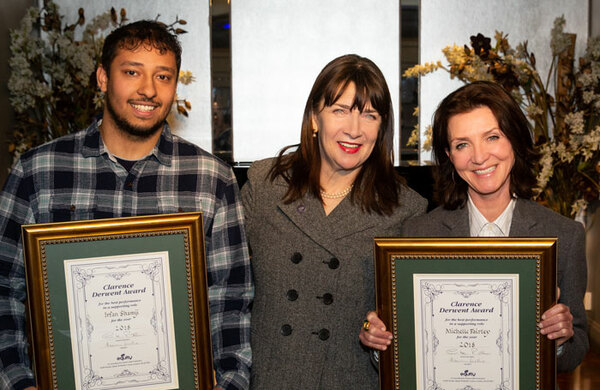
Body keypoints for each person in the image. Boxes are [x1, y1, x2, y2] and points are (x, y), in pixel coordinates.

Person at [0, 21, 252, 389]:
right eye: (132, 72)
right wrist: (19, 382)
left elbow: (231, 297)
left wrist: (229, 383)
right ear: (102, 78)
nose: (148, 90)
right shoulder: (38, 171)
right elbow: (5, 290)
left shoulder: (211, 178)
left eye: (163, 76)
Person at [359, 81, 588, 372]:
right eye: (462, 144)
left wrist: (559, 339)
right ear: (450, 156)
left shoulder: (565, 236)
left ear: (515, 140)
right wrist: (378, 341)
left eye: (492, 137)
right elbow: (399, 351)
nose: (479, 157)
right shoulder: (417, 234)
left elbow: (576, 349)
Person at [241, 54, 427, 389]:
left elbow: (414, 332)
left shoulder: (408, 211)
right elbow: (228, 291)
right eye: (339, 110)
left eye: (369, 115)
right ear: (314, 118)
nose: (354, 130)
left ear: (382, 127)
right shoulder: (264, 185)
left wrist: (385, 333)